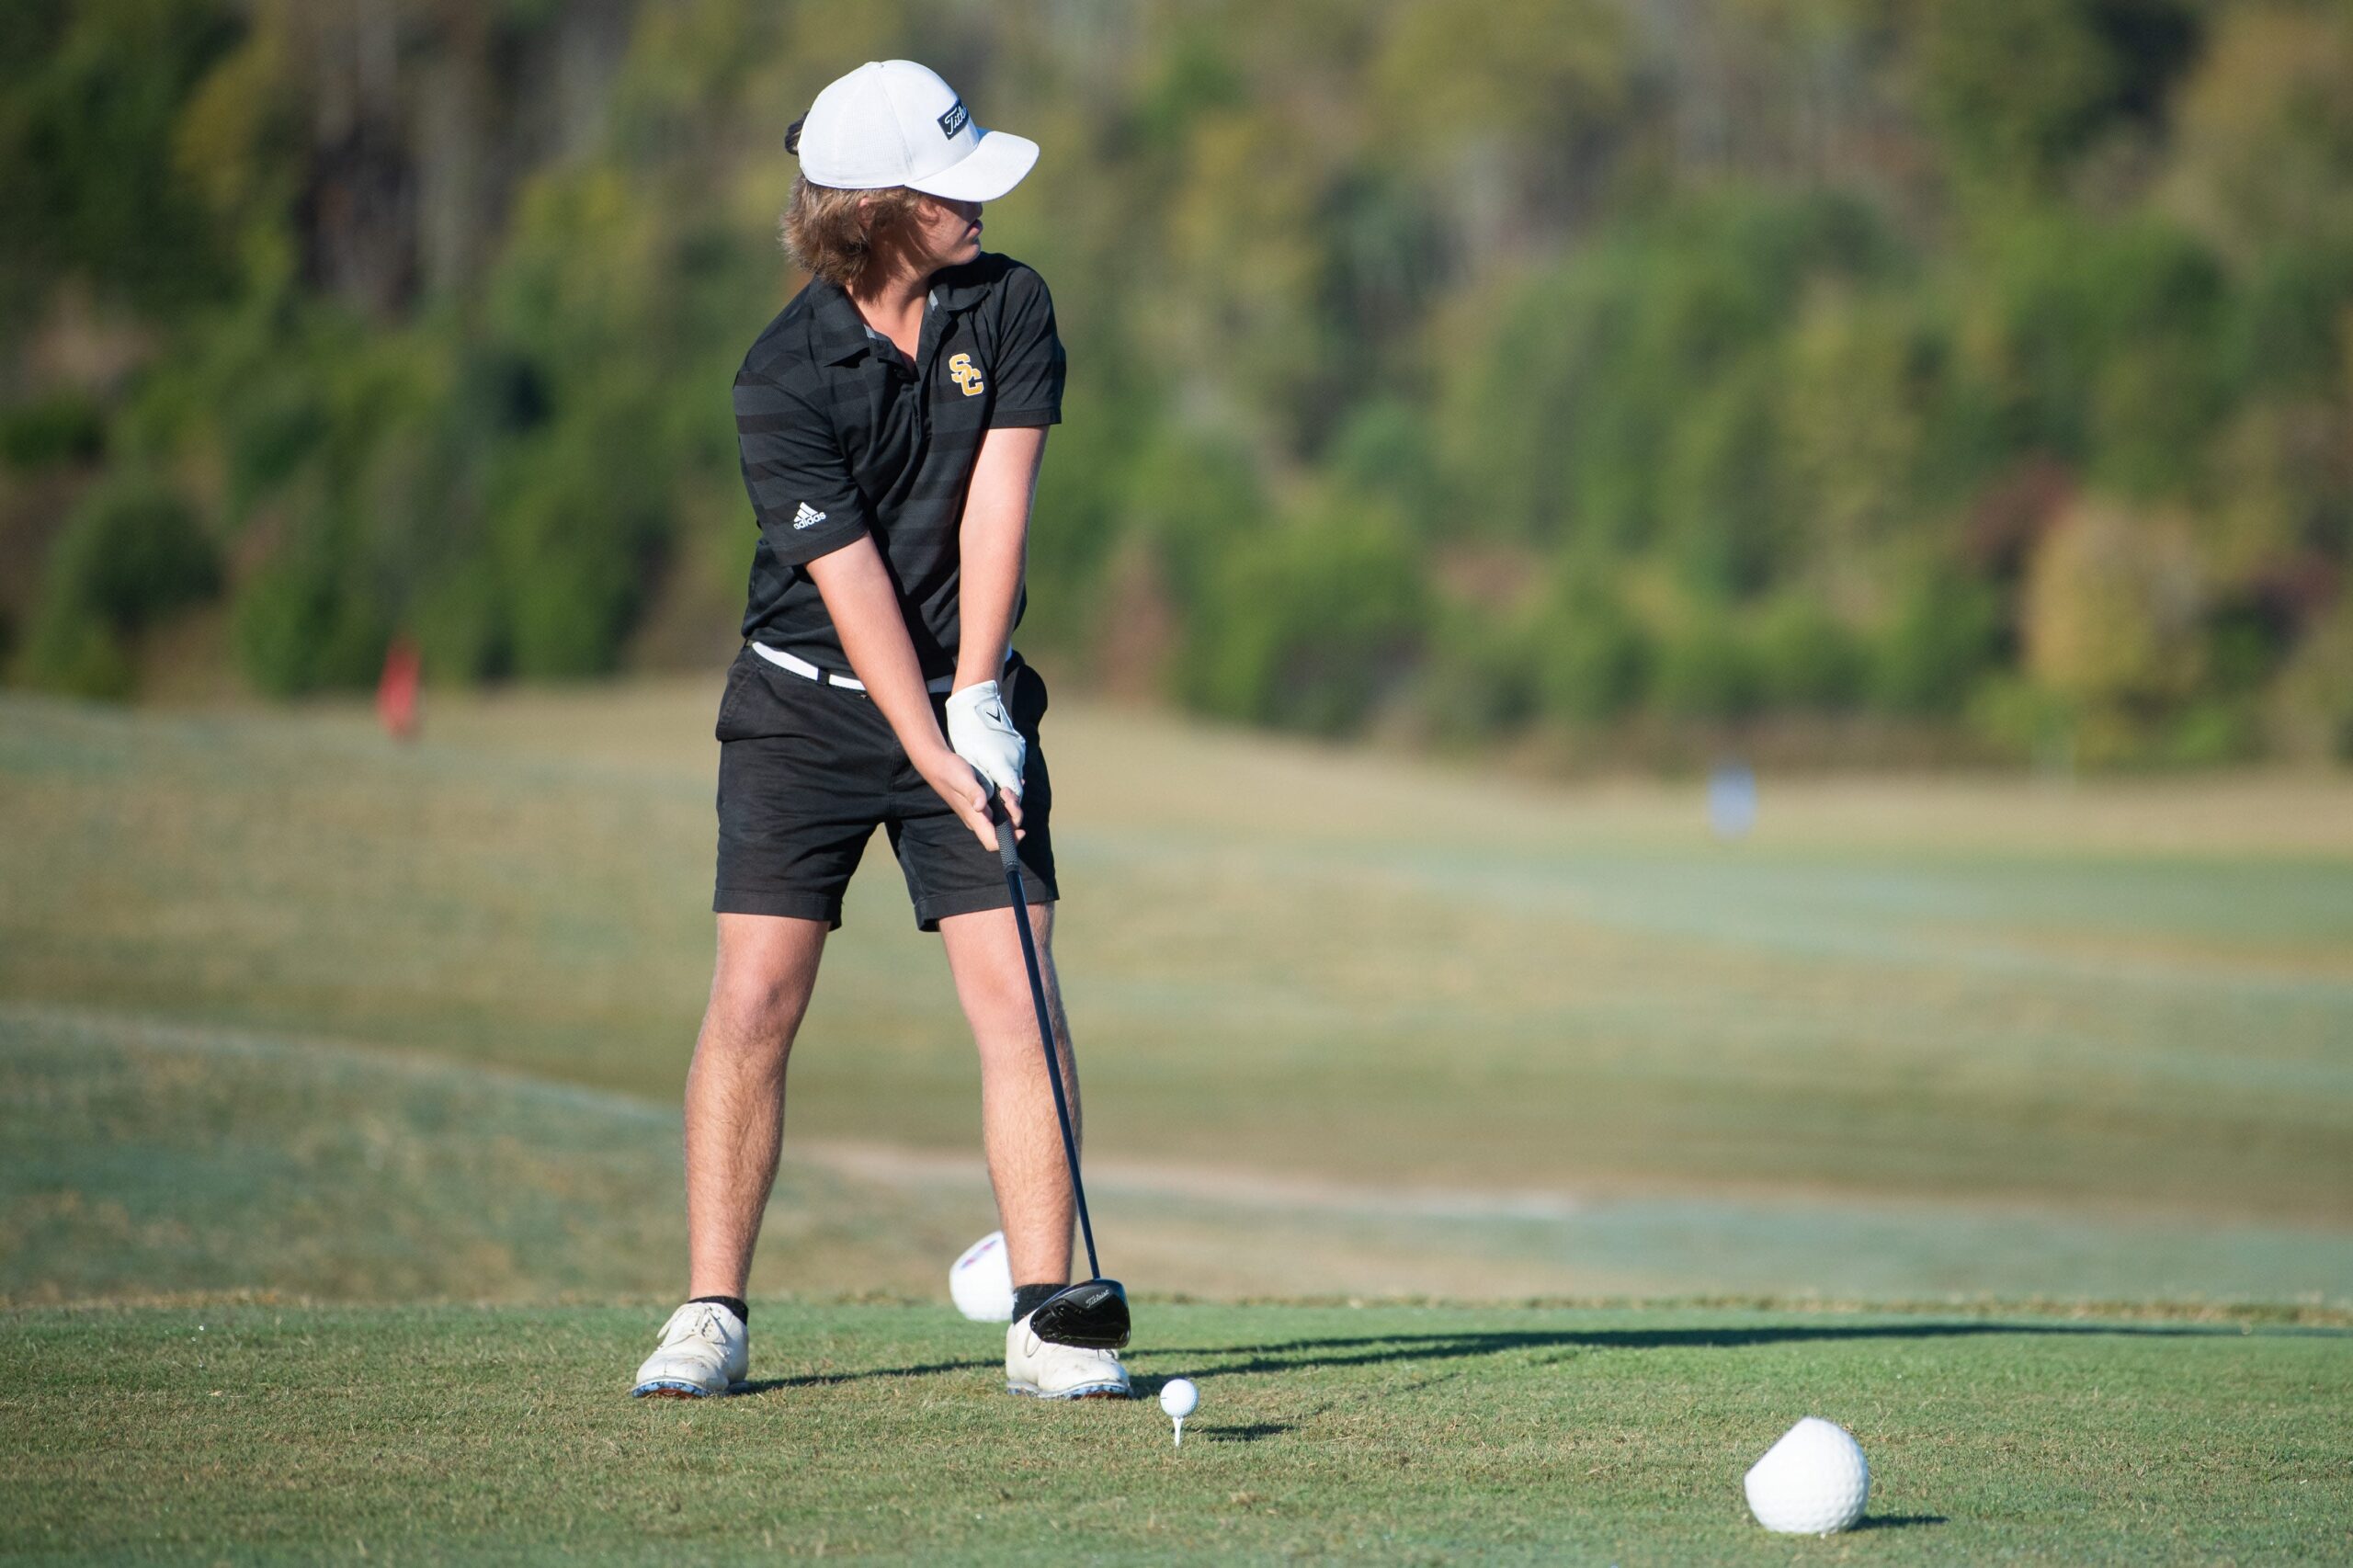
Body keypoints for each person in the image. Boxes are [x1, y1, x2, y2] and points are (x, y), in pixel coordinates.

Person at [629, 61, 1127, 1402]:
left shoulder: (1010, 302)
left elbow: (996, 508)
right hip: (806, 707)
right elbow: (849, 590)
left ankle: (1046, 1321)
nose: (985, 205)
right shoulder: (779, 376)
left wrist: (980, 703)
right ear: (883, 210)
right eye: (954, 187)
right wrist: (930, 749)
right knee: (755, 999)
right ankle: (711, 1314)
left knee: (1020, 993)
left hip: (968, 687)